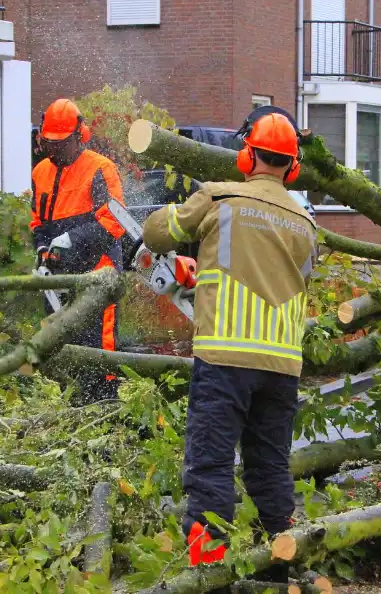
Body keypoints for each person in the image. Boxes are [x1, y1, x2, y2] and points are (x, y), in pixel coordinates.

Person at [142, 107, 317, 588]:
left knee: (211, 468)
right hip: (282, 365)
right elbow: (281, 279)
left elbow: (158, 232)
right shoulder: (306, 224)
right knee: (269, 470)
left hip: (224, 359)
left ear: (246, 154)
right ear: (292, 166)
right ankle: (279, 569)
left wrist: (178, 224)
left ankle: (208, 572)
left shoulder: (220, 197)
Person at [29, 98, 126, 401]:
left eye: (61, 143)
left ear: (79, 135)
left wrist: (73, 239)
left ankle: (105, 404)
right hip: (58, 274)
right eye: (50, 143)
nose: (55, 149)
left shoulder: (100, 168)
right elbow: (37, 220)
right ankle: (70, 406)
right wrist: (43, 245)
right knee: (61, 341)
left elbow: (114, 221)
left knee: (98, 345)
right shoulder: (41, 172)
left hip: (97, 271)